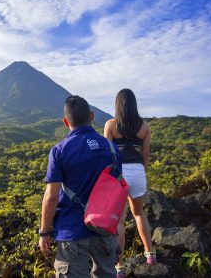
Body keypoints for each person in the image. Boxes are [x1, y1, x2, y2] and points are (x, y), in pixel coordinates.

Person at [39, 95, 121, 278]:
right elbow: (118, 192)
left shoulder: (60, 150)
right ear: (92, 115)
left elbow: (51, 196)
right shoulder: (111, 148)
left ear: (65, 122)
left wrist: (44, 232)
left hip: (72, 229)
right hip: (105, 228)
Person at [104, 88, 156, 277]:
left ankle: (119, 267)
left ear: (118, 104)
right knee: (139, 213)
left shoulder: (110, 125)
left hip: (118, 174)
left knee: (118, 222)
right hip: (137, 171)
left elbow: (107, 155)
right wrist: (142, 170)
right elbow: (146, 155)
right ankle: (150, 254)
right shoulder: (145, 126)